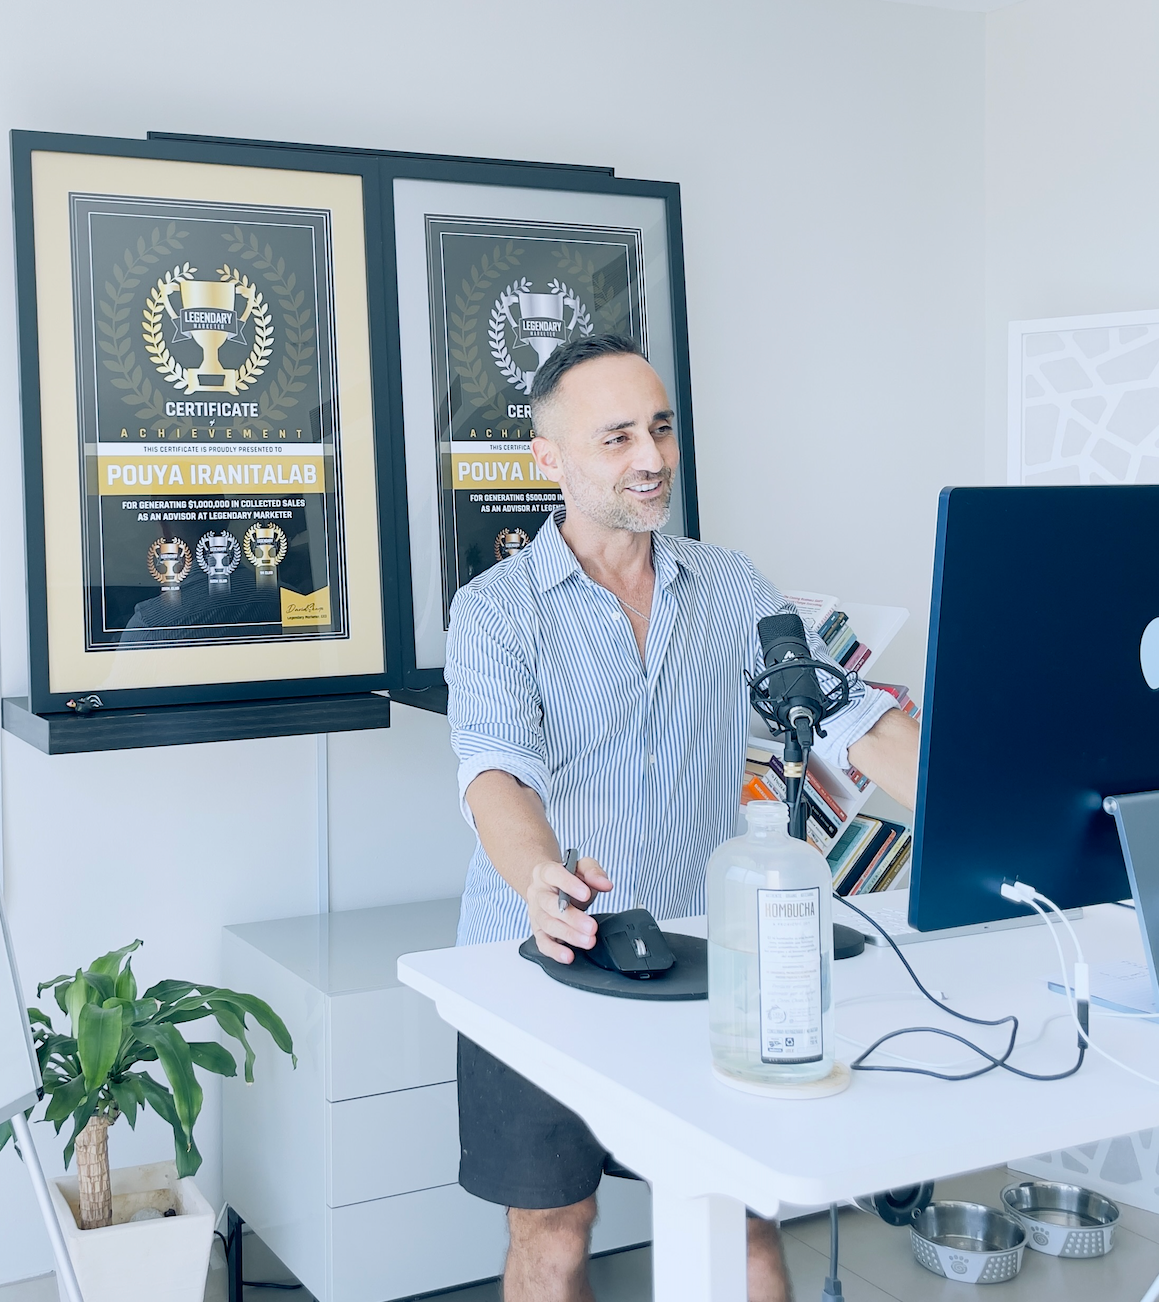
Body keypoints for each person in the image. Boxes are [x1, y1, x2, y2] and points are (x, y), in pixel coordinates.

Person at [445, 333, 921, 1302]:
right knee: (554, 1231)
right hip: (536, 959)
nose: (652, 457)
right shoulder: (495, 610)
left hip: (700, 961)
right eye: (616, 437)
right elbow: (496, 774)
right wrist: (538, 875)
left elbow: (851, 718)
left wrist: (991, 808)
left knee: (740, 1218)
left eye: (659, 429)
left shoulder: (732, 584)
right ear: (549, 459)